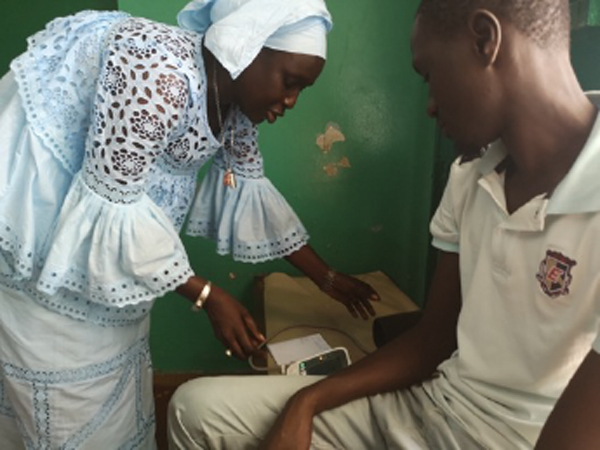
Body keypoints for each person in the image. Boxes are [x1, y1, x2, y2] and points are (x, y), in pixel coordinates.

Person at [167, 0, 600, 448]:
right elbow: (432, 339)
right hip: (433, 405)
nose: (430, 106)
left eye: (429, 75)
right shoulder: (470, 175)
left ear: (485, 41)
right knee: (195, 409)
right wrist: (306, 404)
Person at [0, 0, 381, 447]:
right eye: (289, 82)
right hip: (53, 261)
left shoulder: (233, 102)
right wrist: (206, 294)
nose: (291, 101)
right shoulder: (158, 72)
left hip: (111, 271)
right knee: (67, 405)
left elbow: (251, 195)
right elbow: (111, 201)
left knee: (113, 397)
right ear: (246, 49)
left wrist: (327, 277)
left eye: (302, 90)